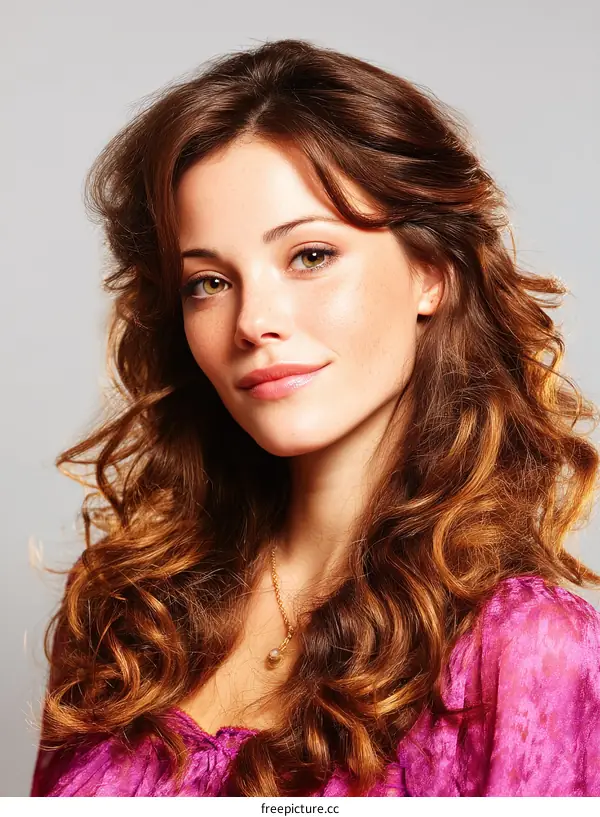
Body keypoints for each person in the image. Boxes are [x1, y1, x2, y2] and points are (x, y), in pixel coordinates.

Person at [30, 38, 600, 797]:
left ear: (431, 270)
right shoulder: (128, 616)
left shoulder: (528, 653)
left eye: (309, 256)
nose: (253, 321)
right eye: (209, 281)